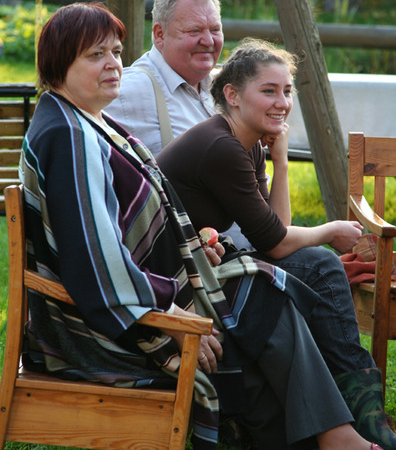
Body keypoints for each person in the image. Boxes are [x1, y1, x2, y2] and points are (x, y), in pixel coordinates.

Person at [19, 3, 381, 450]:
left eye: (115, 51)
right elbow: (91, 256)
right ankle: (342, 436)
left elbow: (117, 233)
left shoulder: (86, 123)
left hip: (139, 290)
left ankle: (334, 435)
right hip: (98, 328)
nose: (113, 64)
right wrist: (165, 314)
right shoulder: (68, 135)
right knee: (261, 299)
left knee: (260, 301)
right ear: (59, 64)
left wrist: (190, 248)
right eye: (95, 55)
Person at [157, 38, 396, 450]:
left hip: (204, 264)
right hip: (175, 282)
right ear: (231, 95)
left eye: (287, 90)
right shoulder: (221, 146)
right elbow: (278, 243)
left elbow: (274, 232)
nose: (282, 101)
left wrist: (280, 158)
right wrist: (330, 229)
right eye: (268, 90)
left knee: (318, 265)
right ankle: (361, 420)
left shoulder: (244, 144)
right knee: (320, 262)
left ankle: (355, 420)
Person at [105, 0, 223, 158]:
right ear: (160, 34)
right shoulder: (129, 90)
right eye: (195, 30)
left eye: (215, 29)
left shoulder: (224, 89)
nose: (208, 41)